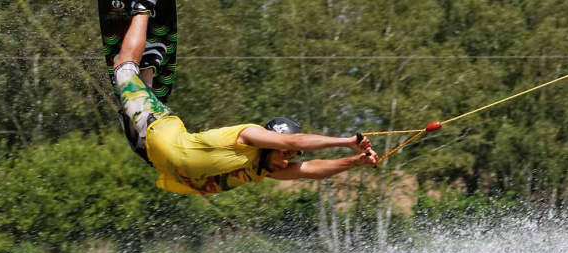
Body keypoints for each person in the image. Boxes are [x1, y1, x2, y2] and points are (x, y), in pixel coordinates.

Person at [112, 0, 379, 195]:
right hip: (159, 131)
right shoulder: (247, 136)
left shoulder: (265, 168)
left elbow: (313, 168)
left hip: (154, 158)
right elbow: (296, 140)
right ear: (270, 140)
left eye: (290, 155)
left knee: (137, 92)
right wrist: (346, 141)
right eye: (285, 152)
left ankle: (147, 71)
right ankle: (143, 9)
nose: (287, 159)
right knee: (122, 69)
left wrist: (355, 162)